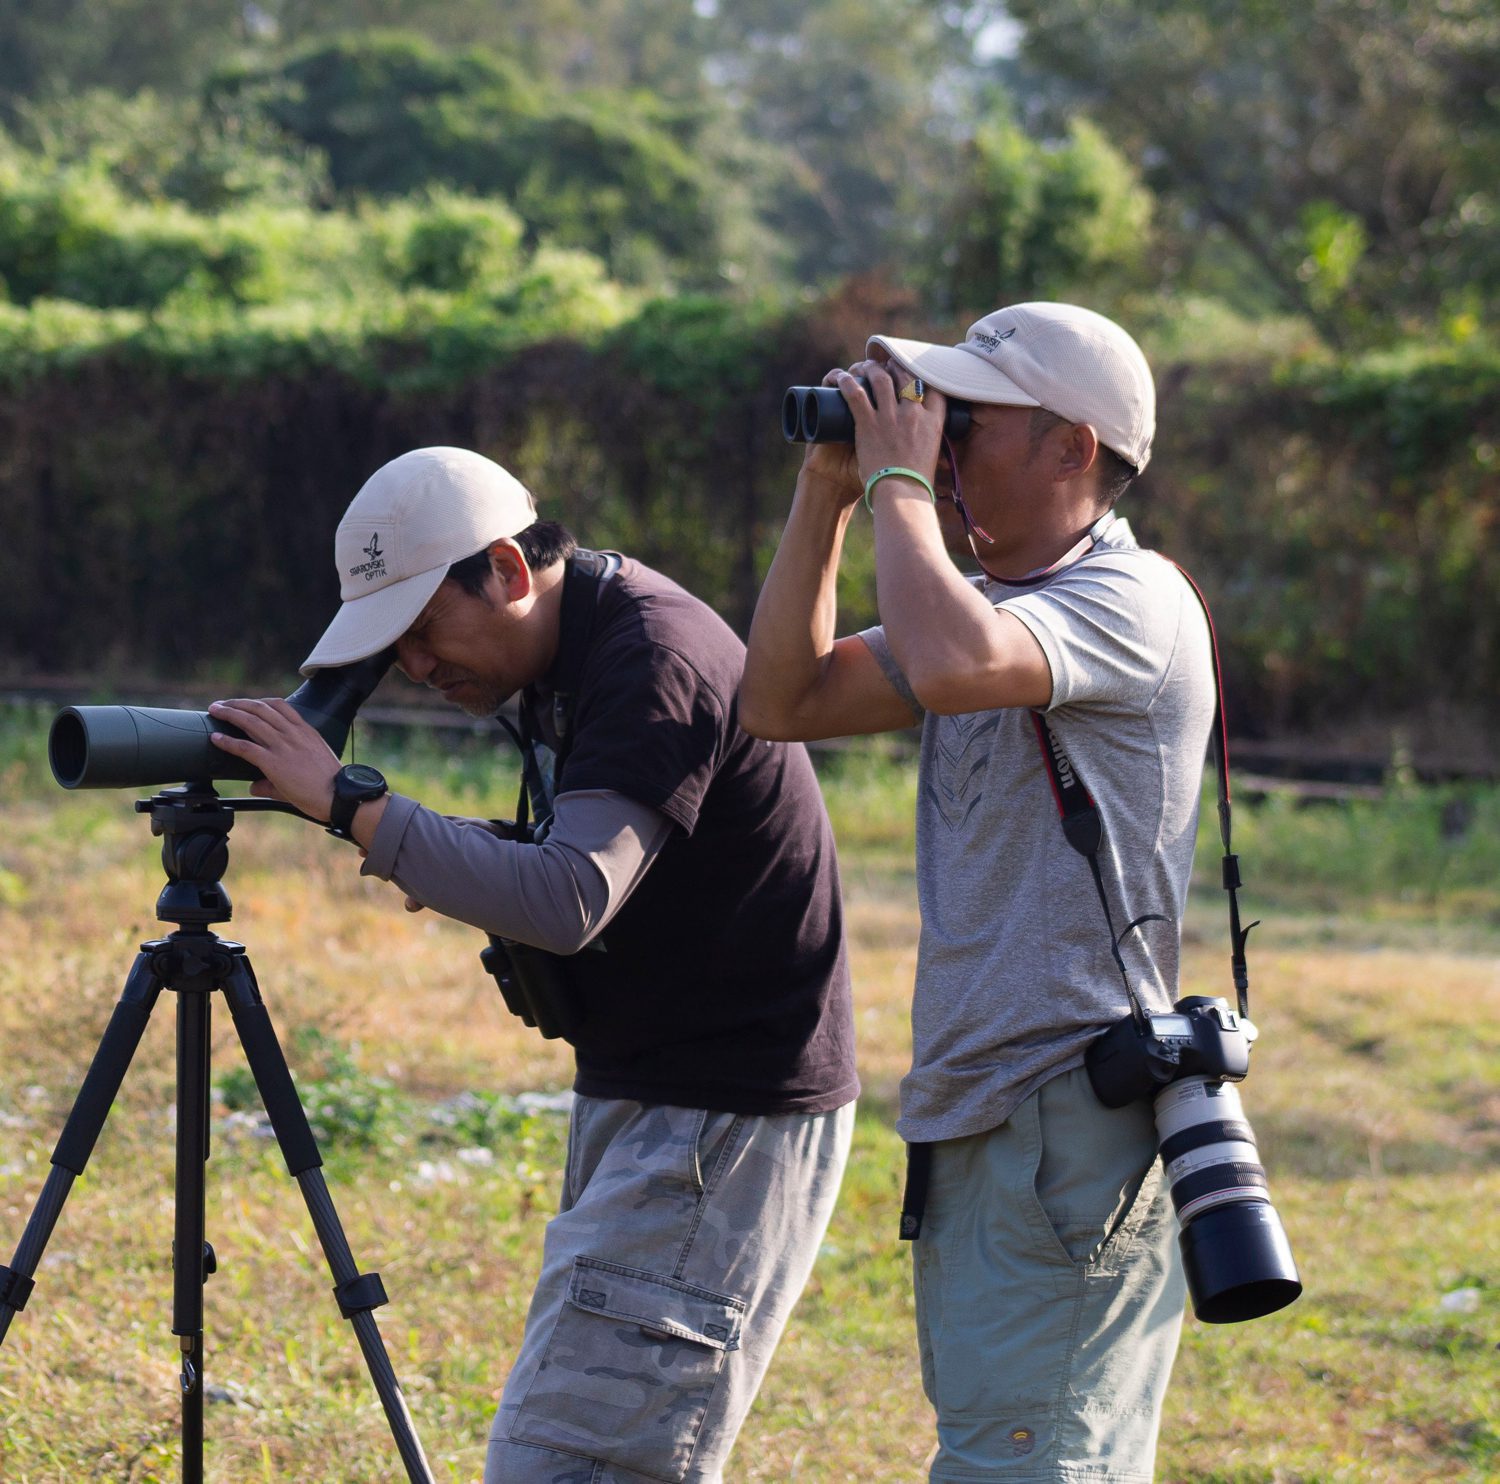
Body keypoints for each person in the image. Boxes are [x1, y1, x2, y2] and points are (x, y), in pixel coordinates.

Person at [207, 445, 859, 1484]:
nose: (417, 666)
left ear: (509, 570)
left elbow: (568, 897)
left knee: (570, 1462)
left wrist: (349, 803)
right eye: (396, 646)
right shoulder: (573, 648)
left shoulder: (653, 653)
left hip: (719, 1114)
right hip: (659, 1091)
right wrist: (451, 851)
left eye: (423, 630)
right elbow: (577, 863)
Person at [741, 302, 1213, 1481]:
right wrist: (829, 492)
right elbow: (781, 701)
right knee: (1009, 1446)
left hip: (1066, 1122)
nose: (944, 449)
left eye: (969, 422)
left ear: (1074, 449)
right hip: (990, 1116)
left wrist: (900, 481)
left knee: (1029, 1460)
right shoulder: (992, 606)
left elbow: (954, 665)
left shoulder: (1132, 600)